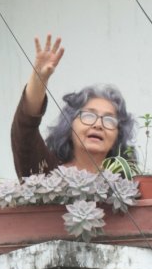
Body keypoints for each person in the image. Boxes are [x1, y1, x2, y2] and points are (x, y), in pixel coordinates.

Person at [11, 34, 135, 178]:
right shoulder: (48, 172)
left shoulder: (127, 185)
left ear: (118, 135)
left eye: (109, 120)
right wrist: (39, 78)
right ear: (69, 126)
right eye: (89, 115)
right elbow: (25, 131)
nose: (98, 125)